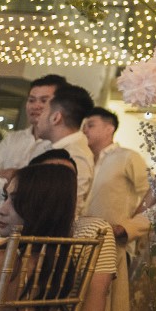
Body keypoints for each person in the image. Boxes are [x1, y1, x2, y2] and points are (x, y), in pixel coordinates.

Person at [0, 159, 115, 311]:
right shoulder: (59, 267)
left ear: (42, 209)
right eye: (6, 197)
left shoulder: (0, 261)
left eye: (16, 201)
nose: (2, 210)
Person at [82, 107, 150, 311]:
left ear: (109, 128)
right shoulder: (82, 159)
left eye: (91, 125)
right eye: (83, 125)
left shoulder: (128, 157)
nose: (84, 130)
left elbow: (153, 195)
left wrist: (128, 228)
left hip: (114, 245)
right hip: (81, 245)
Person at [0, 74, 65, 226]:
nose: (36, 106)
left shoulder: (59, 145)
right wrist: (11, 185)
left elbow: (40, 194)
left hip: (28, 232)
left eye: (44, 100)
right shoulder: (12, 139)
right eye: (31, 100)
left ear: (59, 106)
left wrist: (13, 176)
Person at [31, 83, 95, 213]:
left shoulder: (75, 156)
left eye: (43, 111)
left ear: (56, 118)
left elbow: (66, 210)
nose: (38, 118)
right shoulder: (51, 147)